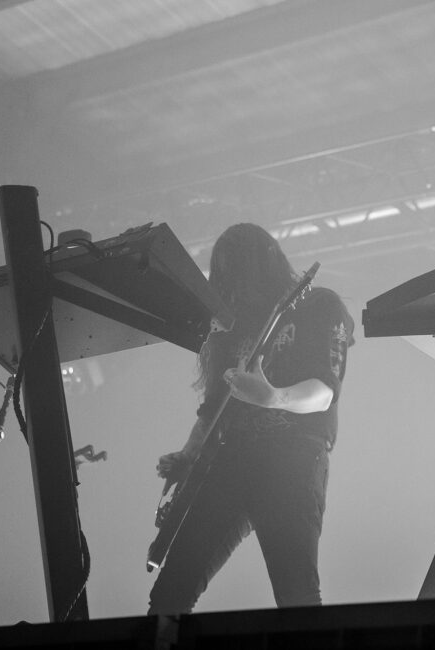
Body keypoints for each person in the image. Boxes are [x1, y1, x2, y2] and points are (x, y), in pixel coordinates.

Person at [147, 223, 354, 615]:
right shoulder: (232, 327)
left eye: (238, 272)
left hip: (292, 462)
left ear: (264, 265)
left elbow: (325, 391)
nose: (233, 287)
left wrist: (273, 397)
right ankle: (161, 642)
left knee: (296, 594)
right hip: (230, 463)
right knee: (168, 598)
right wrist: (189, 455)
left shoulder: (317, 304)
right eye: (224, 277)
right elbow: (213, 408)